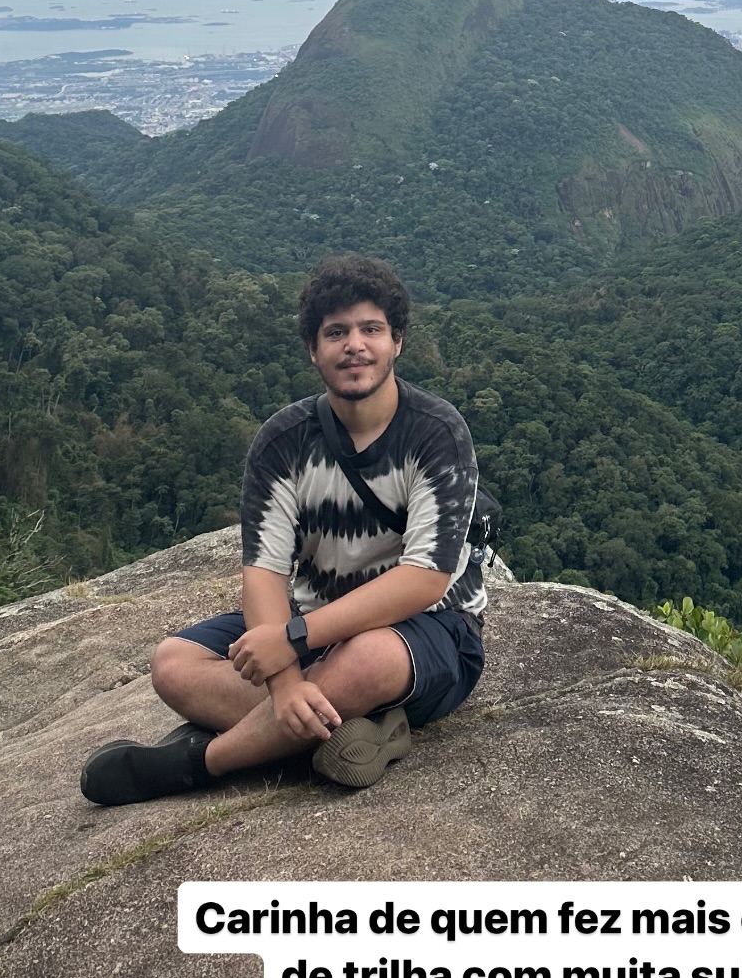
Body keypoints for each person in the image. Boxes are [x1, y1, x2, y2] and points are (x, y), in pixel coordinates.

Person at [81, 253, 485, 806]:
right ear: (313, 349)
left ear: (397, 342)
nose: (355, 345)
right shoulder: (284, 441)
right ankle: (343, 726)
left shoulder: (437, 434)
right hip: (311, 617)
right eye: (336, 332)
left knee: (365, 660)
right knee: (172, 663)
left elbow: (424, 581)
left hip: (429, 633)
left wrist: (291, 644)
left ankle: (202, 761)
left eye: (372, 329)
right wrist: (287, 682)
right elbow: (265, 571)